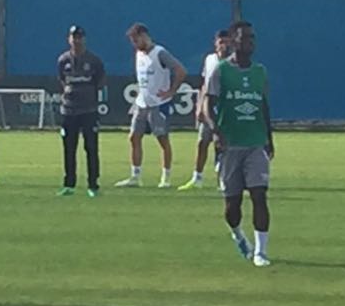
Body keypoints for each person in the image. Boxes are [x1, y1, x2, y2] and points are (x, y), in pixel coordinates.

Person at [204, 20, 274, 266]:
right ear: (234, 41)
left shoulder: (260, 72)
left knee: (259, 195)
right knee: (232, 207)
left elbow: (263, 106)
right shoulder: (221, 71)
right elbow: (207, 104)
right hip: (230, 145)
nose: (250, 43)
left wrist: (269, 139)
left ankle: (261, 252)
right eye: (245, 38)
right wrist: (215, 131)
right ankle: (238, 234)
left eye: (252, 38)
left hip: (255, 143)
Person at [114, 23, 187, 189]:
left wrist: (171, 91)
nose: (134, 44)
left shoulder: (160, 53)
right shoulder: (138, 54)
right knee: (134, 137)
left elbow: (180, 70)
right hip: (142, 103)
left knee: (162, 140)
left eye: (135, 40)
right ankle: (135, 176)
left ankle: (166, 178)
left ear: (144, 36)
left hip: (158, 104)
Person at [57, 24, 106, 197]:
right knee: (69, 148)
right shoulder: (63, 60)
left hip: (88, 111)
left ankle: (93, 185)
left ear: (84, 39)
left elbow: (100, 82)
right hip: (69, 111)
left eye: (79, 37)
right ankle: (69, 184)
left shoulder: (94, 61)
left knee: (91, 148)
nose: (76, 40)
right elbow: (63, 81)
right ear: (69, 39)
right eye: (73, 37)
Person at [180, 29, 232, 190]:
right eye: (221, 42)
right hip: (208, 108)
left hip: (224, 109)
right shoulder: (210, 59)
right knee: (202, 142)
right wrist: (199, 106)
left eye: (227, 42)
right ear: (215, 43)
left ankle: (223, 179)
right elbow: (204, 85)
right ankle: (197, 177)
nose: (224, 45)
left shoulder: (233, 62)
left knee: (222, 144)